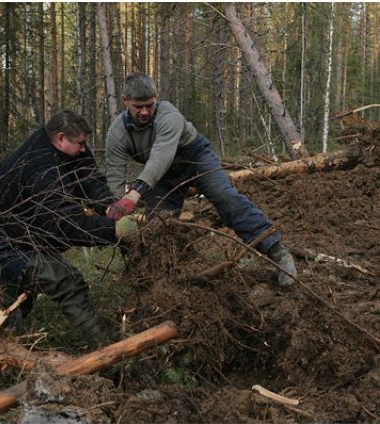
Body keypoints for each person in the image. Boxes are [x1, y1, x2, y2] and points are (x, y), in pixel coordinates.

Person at [104, 72, 297, 287]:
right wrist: (115, 206)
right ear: (125, 102)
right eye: (138, 106)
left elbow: (160, 156)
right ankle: (167, 277)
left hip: (195, 158)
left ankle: (278, 253)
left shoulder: (168, 114)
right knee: (158, 225)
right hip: (163, 177)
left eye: (149, 105)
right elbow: (114, 173)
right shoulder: (117, 133)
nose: (145, 111)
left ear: (156, 98)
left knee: (226, 197)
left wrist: (135, 193)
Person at [0, 109, 139, 348]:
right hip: (6, 240)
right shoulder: (41, 168)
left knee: (15, 299)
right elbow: (64, 225)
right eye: (81, 143)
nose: (85, 149)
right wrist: (112, 230)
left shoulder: (71, 150)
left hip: (31, 232)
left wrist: (108, 208)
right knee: (66, 282)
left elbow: (90, 178)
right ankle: (109, 351)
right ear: (60, 138)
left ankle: (6, 344)